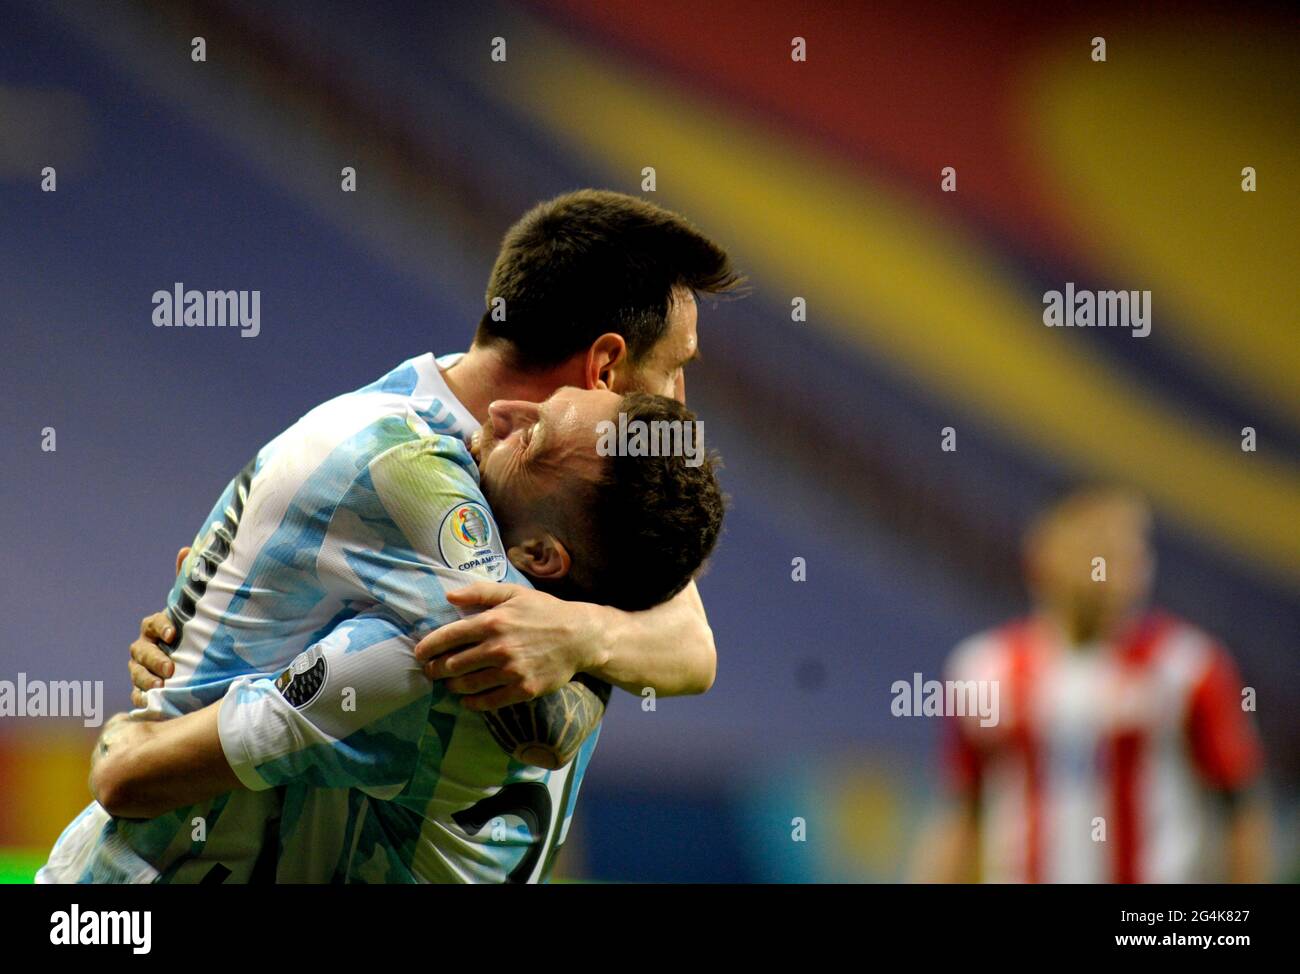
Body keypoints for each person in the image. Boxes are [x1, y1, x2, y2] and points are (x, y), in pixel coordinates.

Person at [42, 385, 724, 883]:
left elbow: (127, 775)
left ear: (542, 559)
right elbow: (688, 636)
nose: (498, 413)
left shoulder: (419, 662)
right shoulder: (607, 640)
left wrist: (218, 625)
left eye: (531, 437)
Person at [130, 188, 739, 711]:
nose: (680, 401)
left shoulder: (557, 465)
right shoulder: (408, 465)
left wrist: (583, 633)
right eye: (675, 367)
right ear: (603, 368)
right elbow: (541, 726)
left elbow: (694, 641)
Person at [912, 487, 1269, 883]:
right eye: (1096, 545)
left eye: (1129, 548)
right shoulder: (983, 668)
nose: (1113, 563)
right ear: (1042, 556)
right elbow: (961, 812)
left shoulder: (1188, 665)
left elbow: (1241, 811)